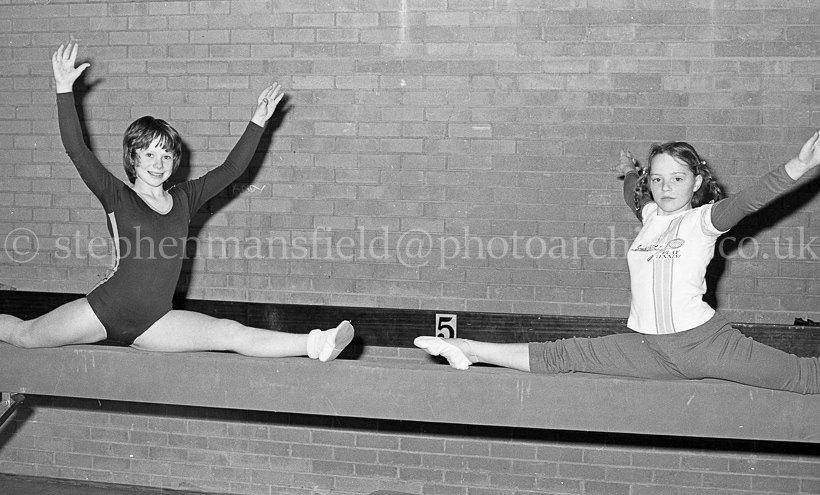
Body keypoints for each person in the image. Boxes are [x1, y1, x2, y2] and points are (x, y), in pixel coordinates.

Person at [0, 43, 353, 362]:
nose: (158, 164)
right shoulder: (116, 195)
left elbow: (231, 169)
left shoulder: (184, 199)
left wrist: (257, 122)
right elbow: (76, 149)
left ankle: (317, 343)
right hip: (105, 310)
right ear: (133, 158)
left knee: (229, 332)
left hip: (155, 323)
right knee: (25, 335)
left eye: (166, 156)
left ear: (175, 162)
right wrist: (64, 89)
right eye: (149, 155)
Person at [415, 135, 820, 394]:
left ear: (697, 182)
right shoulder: (649, 217)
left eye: (678, 179)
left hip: (704, 344)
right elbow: (635, 194)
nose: (666, 188)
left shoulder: (704, 220)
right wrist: (630, 172)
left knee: (801, 378)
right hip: (645, 347)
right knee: (564, 356)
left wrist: (797, 168)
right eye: (658, 179)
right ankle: (465, 348)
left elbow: (749, 200)